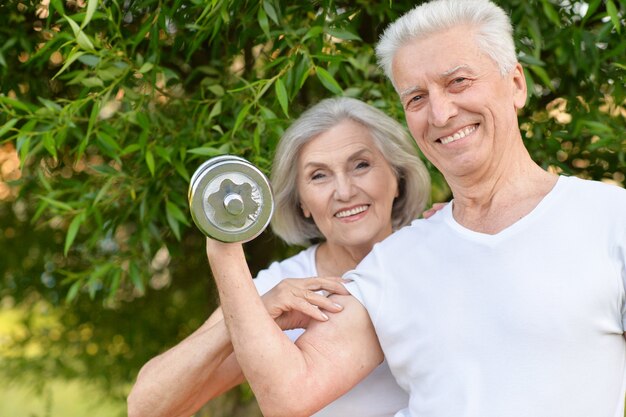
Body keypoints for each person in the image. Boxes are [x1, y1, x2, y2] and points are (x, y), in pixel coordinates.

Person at [203, 1, 626, 417]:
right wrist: (224, 243)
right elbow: (289, 395)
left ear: (515, 84)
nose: (441, 113)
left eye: (458, 81)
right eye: (417, 97)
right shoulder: (393, 262)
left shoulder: (610, 219)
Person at [127, 97, 433, 417]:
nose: (344, 191)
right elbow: (146, 409)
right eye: (319, 176)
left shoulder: (436, 252)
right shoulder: (281, 287)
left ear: (397, 177)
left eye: (361, 165)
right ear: (301, 201)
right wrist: (254, 313)